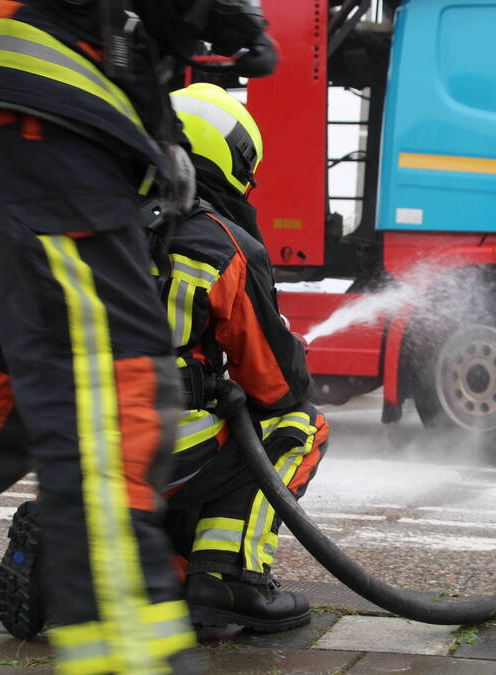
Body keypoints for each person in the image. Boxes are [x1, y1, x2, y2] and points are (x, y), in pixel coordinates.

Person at [0, 1, 277, 675]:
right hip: (50, 109)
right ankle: (137, 656)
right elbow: (280, 383)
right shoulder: (229, 249)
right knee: (112, 398)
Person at [161, 82, 328, 633]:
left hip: (65, 434)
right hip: (158, 441)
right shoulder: (218, 244)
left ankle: (146, 565)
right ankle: (229, 580)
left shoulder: (97, 219)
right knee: (298, 424)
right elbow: (275, 383)